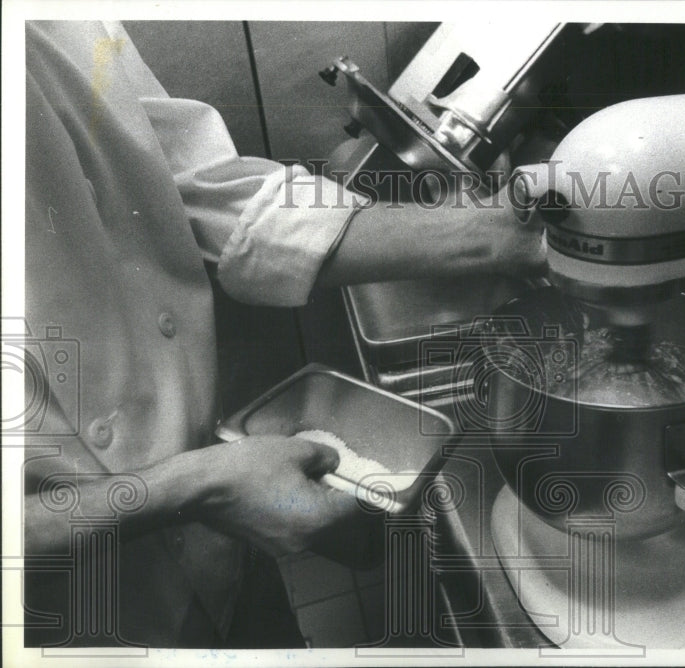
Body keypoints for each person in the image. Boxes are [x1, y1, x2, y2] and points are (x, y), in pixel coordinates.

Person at [22, 20, 544, 648]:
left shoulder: (62, 22)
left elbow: (206, 192)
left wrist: (497, 233)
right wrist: (193, 486)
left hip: (220, 538)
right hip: (60, 620)